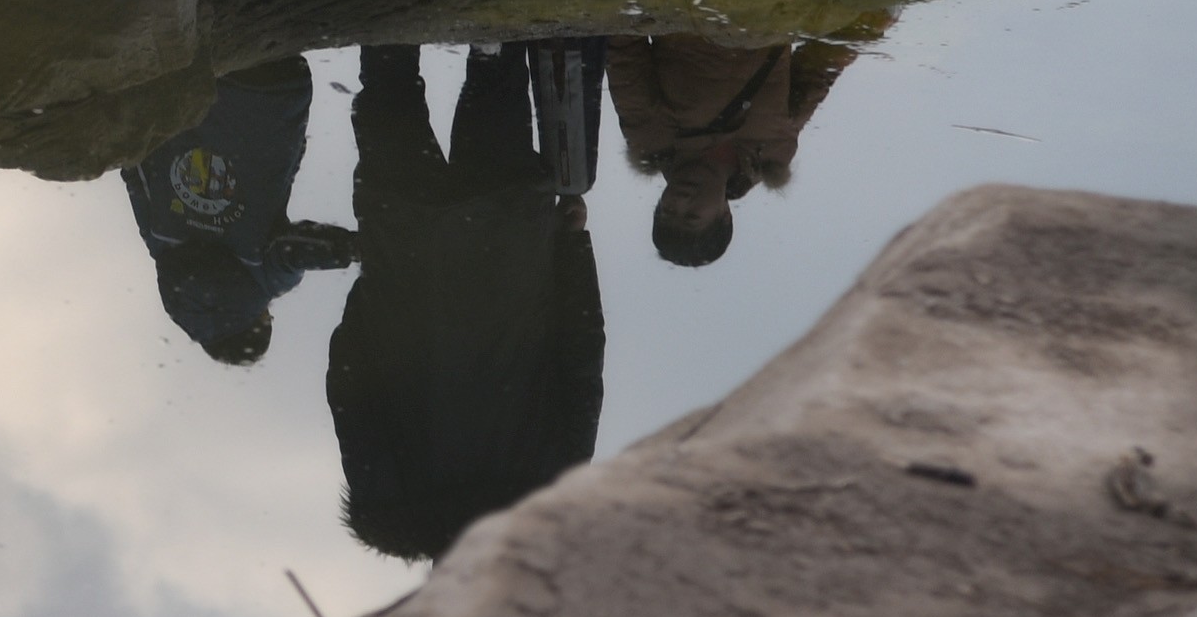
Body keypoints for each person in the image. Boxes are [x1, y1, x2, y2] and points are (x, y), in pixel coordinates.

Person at [324, 44, 605, 561]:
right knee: (391, 87)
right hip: (407, 253)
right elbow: (348, 383)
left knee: (495, 75)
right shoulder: (392, 504)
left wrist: (570, 246)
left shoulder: (552, 492)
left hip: (506, 243)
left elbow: (581, 353)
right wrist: (376, 288)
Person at [120, 57, 359, 364]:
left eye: (267, 319)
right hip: (193, 81)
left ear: (256, 322)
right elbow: (134, 168)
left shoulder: (265, 279)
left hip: (273, 92)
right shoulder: (160, 243)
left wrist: (353, 249)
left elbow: (295, 248)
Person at [607, 35, 859, 267]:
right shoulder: (770, 153)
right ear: (725, 214)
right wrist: (866, 26)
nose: (679, 201)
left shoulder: (652, 139)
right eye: (692, 215)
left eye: (668, 211)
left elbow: (624, 49)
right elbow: (818, 70)